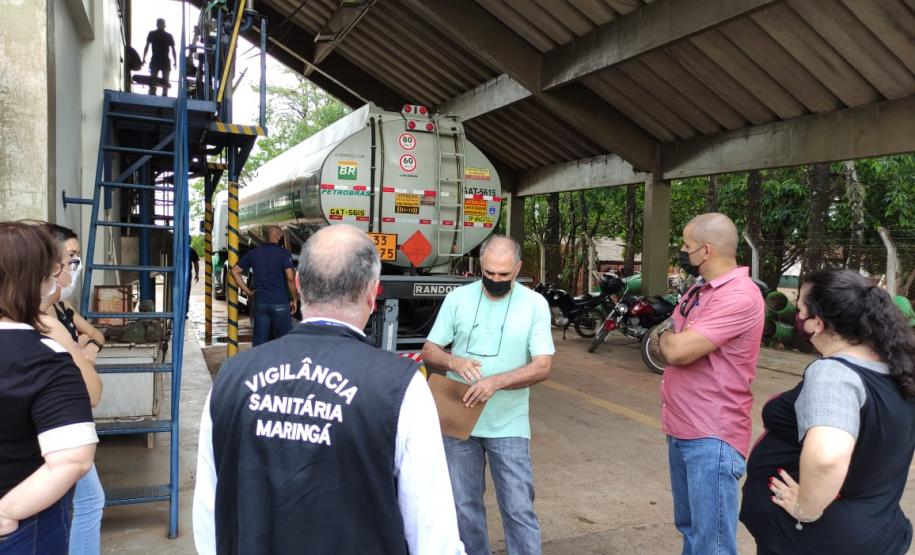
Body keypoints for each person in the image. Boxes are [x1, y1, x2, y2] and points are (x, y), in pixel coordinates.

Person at [193, 224, 464, 555]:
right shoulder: (402, 387)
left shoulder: (231, 378)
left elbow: (209, 513)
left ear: (300, 284)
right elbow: (432, 533)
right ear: (372, 292)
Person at [740, 269, 915, 554]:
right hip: (876, 530)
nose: (797, 318)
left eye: (800, 310)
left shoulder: (835, 374)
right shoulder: (899, 369)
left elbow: (827, 457)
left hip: (818, 540)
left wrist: (805, 508)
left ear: (818, 323)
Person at [422, 235, 555, 555]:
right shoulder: (458, 298)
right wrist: (453, 360)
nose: (495, 280)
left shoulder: (535, 304)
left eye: (504, 275)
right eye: (490, 274)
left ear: (518, 268)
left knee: (518, 508)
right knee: (464, 507)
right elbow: (429, 350)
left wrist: (496, 382)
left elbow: (542, 366)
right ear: (480, 267)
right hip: (459, 421)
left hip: (508, 423)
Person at [657, 212, 765, 555]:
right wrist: (669, 338)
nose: (682, 253)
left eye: (686, 247)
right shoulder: (699, 291)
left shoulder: (739, 296)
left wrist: (667, 337)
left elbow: (676, 349)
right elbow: (670, 341)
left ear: (705, 251)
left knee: (712, 544)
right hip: (682, 428)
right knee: (691, 531)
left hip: (711, 434)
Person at [0, 221, 98, 554]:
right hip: (24, 521)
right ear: (32, 282)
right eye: (48, 275)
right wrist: (7, 511)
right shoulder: (43, 353)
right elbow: (75, 459)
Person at [43, 224, 106, 555]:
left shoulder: (60, 310)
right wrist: (79, 353)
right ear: (49, 265)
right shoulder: (46, 322)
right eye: (71, 259)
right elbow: (94, 392)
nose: (75, 267)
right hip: (61, 425)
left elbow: (97, 335)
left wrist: (87, 348)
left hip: (65, 423)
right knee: (88, 501)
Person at [229, 225, 296, 347]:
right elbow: (290, 279)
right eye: (281, 235)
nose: (281, 237)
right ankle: (282, 365)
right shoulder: (284, 253)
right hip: (280, 302)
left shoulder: (254, 253)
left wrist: (248, 292)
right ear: (277, 236)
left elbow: (234, 271)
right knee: (285, 341)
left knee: (260, 340)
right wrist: (294, 299)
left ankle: (259, 365)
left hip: (260, 303)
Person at [142, 18, 176, 96]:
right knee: (153, 81)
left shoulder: (168, 36)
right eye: (159, 23)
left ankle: (163, 95)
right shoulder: (152, 34)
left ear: (164, 25)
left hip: (164, 61)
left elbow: (173, 50)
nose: (160, 25)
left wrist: (175, 61)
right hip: (156, 60)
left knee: (165, 82)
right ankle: (153, 94)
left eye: (161, 23)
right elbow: (146, 47)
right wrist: (143, 58)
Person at [186, 245, 199, 319]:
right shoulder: (191, 250)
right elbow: (196, 263)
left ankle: (181, 311)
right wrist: (196, 274)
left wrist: (197, 274)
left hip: (178, 274)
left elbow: (196, 263)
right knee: (186, 293)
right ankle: (184, 312)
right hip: (187, 275)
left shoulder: (178, 248)